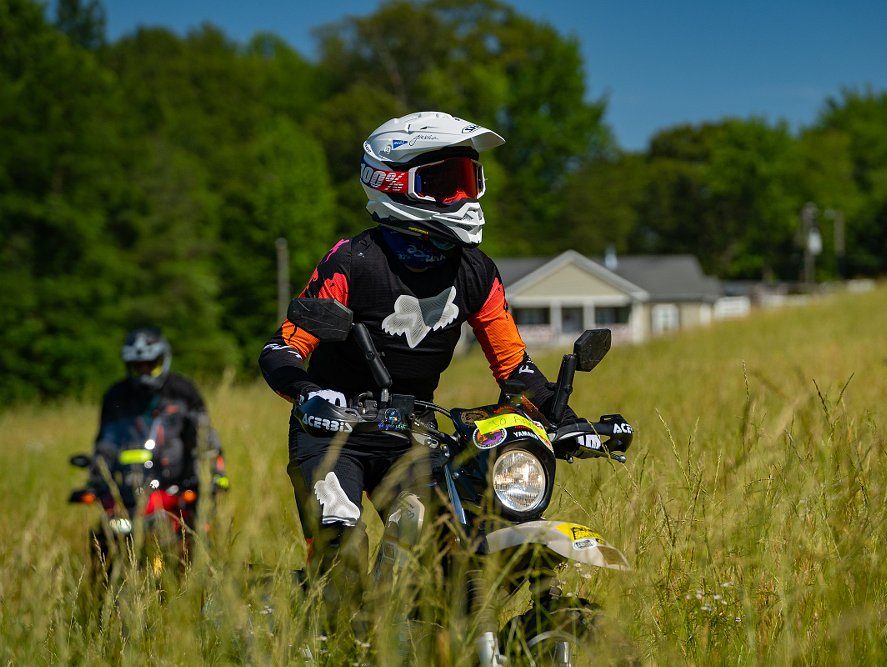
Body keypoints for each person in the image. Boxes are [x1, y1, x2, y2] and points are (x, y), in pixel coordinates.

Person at [258, 111, 572, 633]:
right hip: (335, 436)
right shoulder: (353, 260)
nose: (464, 198)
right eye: (445, 183)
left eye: (470, 180)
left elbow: (516, 368)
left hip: (413, 436)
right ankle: (312, 635)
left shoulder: (476, 270)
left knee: (440, 547)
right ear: (392, 181)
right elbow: (282, 349)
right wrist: (309, 393)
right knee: (344, 545)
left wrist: (569, 420)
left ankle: (402, 635)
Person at [90, 327, 227, 563]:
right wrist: (97, 480)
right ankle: (102, 592)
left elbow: (205, 439)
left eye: (150, 363)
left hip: (177, 491)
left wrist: (212, 476)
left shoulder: (183, 391)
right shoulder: (116, 396)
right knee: (103, 541)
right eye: (137, 365)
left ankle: (205, 592)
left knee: (198, 546)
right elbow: (106, 443)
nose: (144, 370)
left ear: (162, 360)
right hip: (130, 493)